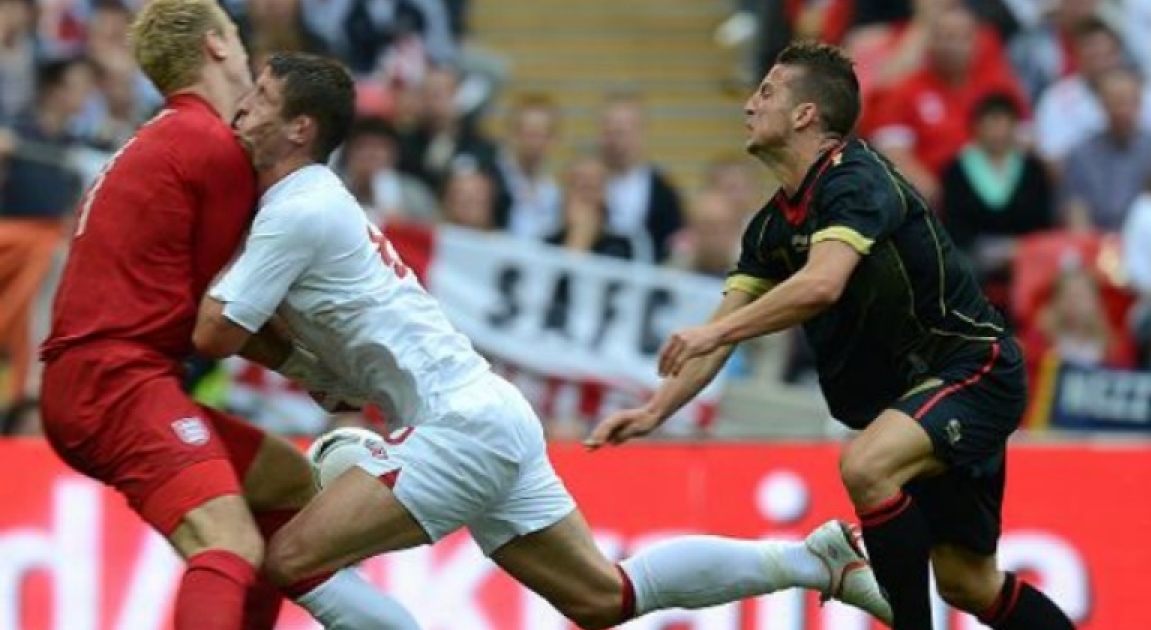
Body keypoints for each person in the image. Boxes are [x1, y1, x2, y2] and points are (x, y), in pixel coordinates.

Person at [192, 51, 893, 630]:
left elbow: (216, 330)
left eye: (261, 97)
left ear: (300, 128)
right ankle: (811, 560)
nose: (242, 107)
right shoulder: (313, 202)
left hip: (454, 428)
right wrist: (315, 368)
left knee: (290, 561)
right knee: (603, 597)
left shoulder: (296, 210)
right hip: (486, 413)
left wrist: (294, 361)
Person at [587, 41, 1079, 630]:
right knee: (969, 585)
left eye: (767, 92)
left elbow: (821, 284)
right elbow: (720, 335)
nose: (749, 104)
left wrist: (712, 333)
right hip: (916, 404)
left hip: (972, 373)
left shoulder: (856, 180)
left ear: (805, 115)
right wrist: (655, 409)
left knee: (867, 467)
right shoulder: (771, 229)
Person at [37, 2, 415, 630]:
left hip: (104, 378)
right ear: (217, 45)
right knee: (228, 542)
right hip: (116, 382)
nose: (246, 56)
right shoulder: (209, 145)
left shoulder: (173, 137)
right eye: (238, 39)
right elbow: (221, 315)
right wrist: (315, 371)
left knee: (288, 486)